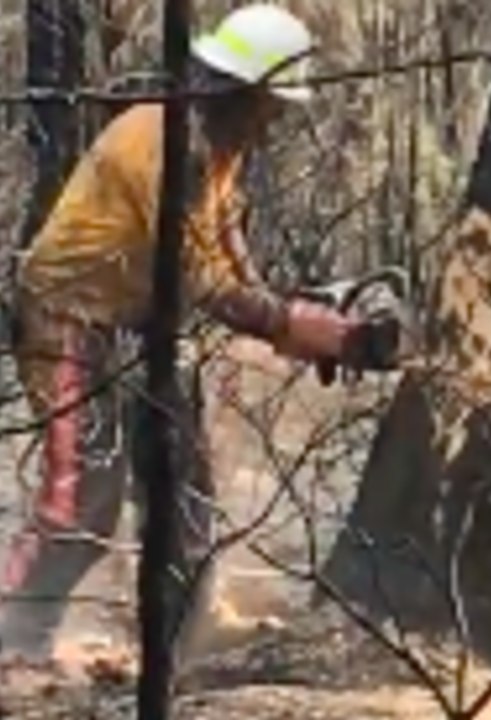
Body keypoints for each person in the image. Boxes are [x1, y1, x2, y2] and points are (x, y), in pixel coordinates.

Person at [0, 4, 402, 664]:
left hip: (141, 322)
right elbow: (200, 282)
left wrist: (295, 316)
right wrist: (293, 326)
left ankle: (184, 632)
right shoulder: (167, 144)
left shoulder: (214, 147)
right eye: (270, 106)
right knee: (80, 500)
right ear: (239, 90)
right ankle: (17, 636)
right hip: (70, 318)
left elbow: (225, 245)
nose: (272, 126)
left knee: (185, 485)